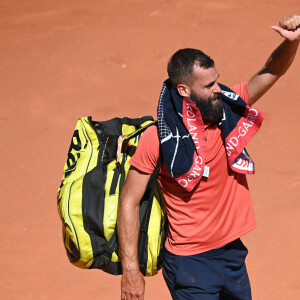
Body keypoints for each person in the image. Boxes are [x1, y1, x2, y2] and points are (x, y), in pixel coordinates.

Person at [117, 14, 300, 300]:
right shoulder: (158, 138)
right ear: (184, 90)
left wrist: (292, 43)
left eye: (217, 80)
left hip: (232, 256)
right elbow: (129, 200)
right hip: (190, 263)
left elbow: (271, 71)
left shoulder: (226, 106)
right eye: (208, 86)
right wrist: (131, 271)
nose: (218, 89)